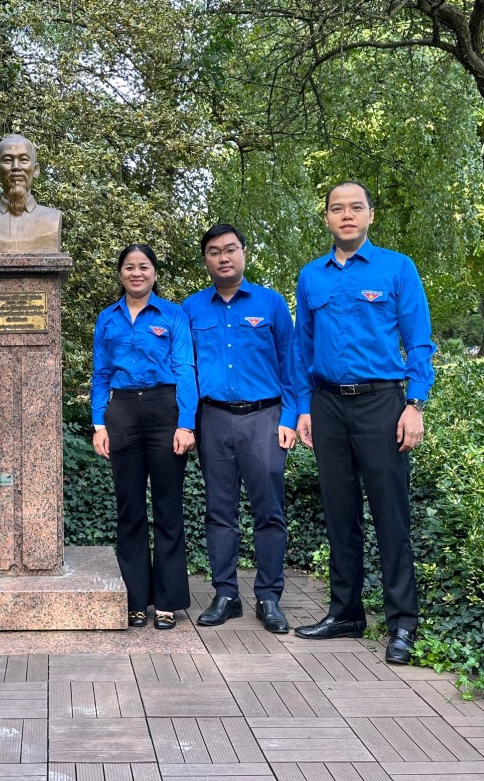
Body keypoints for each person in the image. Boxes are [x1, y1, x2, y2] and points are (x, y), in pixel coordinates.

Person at [292, 182, 436, 664]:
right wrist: (303, 408)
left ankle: (402, 625)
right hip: (328, 405)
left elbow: (419, 342)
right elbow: (301, 347)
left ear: (370, 215)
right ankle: (346, 612)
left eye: (356, 208)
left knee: (391, 517)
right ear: (327, 218)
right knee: (340, 513)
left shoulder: (398, 268)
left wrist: (414, 404)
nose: (347, 215)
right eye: (338, 209)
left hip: (382, 405)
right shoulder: (311, 276)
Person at [182, 224, 297, 633]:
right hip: (212, 419)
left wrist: (289, 418)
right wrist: (187, 422)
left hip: (264, 418)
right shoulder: (191, 309)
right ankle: (226, 593)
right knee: (219, 511)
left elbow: (292, 363)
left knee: (269, 511)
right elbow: (184, 369)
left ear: (244, 253)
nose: (223, 257)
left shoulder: (270, 304)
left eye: (231, 249)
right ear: (206, 260)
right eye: (214, 252)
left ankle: (269, 597)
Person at [91, 245, 198, 630]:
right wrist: (99, 424)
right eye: (129, 267)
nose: (137, 273)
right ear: (120, 273)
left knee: (168, 508)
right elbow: (100, 373)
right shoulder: (107, 319)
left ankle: (167, 600)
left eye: (144, 267)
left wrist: (186, 424)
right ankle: (135, 599)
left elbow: (184, 367)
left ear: (154, 272)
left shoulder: (173, 314)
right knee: (130, 509)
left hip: (164, 410)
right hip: (121, 413)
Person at [0, 133, 63, 253]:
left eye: (24, 160)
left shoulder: (52, 220)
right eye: (8, 160)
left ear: (36, 170)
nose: (16, 167)